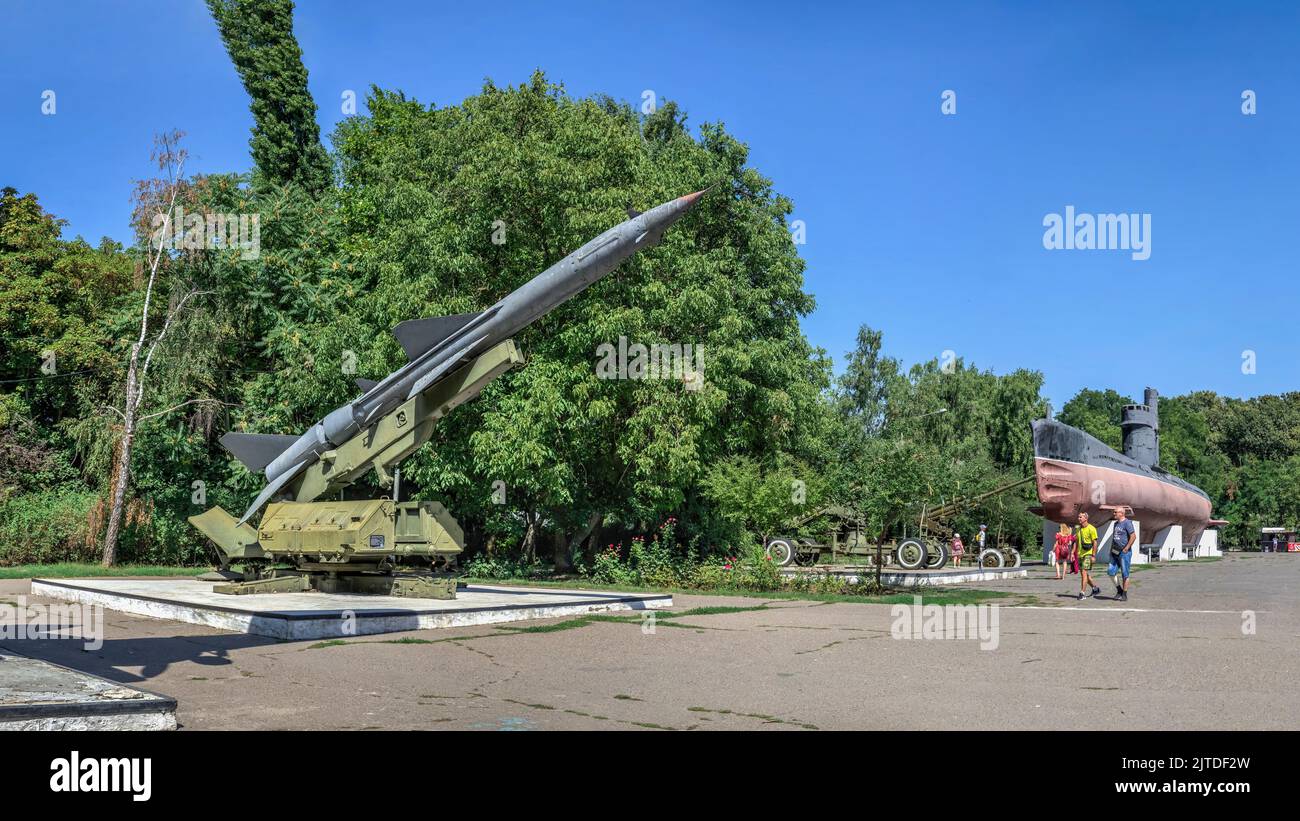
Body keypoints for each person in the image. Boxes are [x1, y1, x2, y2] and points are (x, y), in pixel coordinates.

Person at [1109, 506, 1136, 601]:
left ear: (1122, 513)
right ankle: (1119, 590)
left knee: (1125, 573)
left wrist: (1127, 547)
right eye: (1114, 512)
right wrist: (1111, 550)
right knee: (1110, 571)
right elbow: (1114, 538)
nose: (1114, 513)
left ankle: (1124, 594)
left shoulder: (1127, 523)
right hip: (1114, 551)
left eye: (1115, 512)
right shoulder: (1115, 524)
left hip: (1124, 553)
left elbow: (1133, 536)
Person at [1075, 512, 1099, 600]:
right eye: (1078, 517)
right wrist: (1073, 552)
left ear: (1086, 518)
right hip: (1080, 555)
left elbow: (1095, 542)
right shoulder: (1078, 529)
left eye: (1080, 517)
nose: (1079, 518)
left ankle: (1082, 593)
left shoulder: (1092, 528)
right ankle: (1095, 588)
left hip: (1088, 554)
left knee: (1084, 573)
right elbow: (1077, 541)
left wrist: (1093, 555)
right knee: (1084, 574)